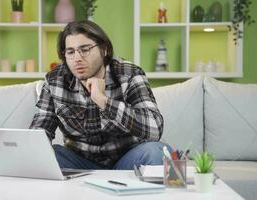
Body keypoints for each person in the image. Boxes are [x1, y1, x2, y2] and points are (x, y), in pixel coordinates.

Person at [30, 20, 168, 170]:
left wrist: (104, 101)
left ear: (104, 49)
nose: (77, 58)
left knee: (156, 151)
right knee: (49, 155)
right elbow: (40, 129)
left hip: (127, 161)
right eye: (70, 52)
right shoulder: (54, 80)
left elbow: (154, 129)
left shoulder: (130, 74)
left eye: (85, 49)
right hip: (79, 162)